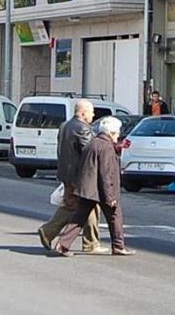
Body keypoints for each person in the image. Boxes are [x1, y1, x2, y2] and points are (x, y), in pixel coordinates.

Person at [54, 116, 134, 257]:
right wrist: (110, 197)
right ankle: (118, 246)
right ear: (111, 132)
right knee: (115, 215)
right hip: (99, 189)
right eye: (117, 132)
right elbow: (106, 173)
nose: (118, 135)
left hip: (88, 188)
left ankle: (62, 245)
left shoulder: (94, 142)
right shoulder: (106, 147)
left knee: (79, 217)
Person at [36, 99, 100, 253]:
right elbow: (90, 152)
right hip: (80, 176)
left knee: (73, 205)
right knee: (88, 205)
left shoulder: (65, 125)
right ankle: (89, 243)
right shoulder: (82, 128)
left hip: (66, 173)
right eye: (91, 112)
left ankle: (51, 232)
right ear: (83, 113)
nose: (93, 115)